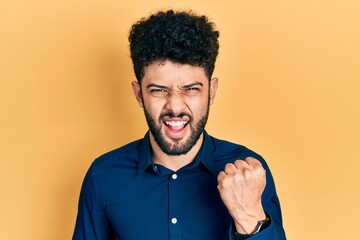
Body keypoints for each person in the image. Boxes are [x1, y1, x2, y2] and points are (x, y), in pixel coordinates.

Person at [73, 9, 286, 240]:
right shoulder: (103, 176)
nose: (175, 106)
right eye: (158, 90)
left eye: (191, 89)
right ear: (138, 95)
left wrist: (249, 216)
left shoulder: (248, 171)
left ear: (211, 92)